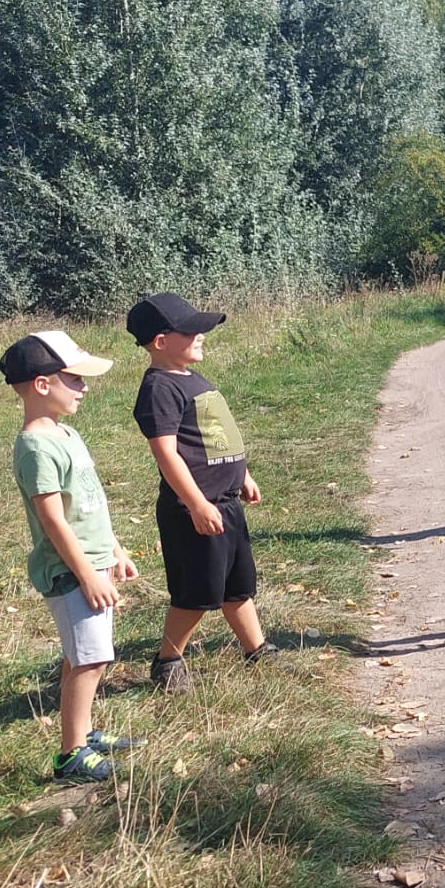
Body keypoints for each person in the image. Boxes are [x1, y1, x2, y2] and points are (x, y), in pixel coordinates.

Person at [0, 331, 147, 782]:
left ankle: (81, 731)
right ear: (42, 384)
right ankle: (70, 755)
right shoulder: (34, 447)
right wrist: (87, 575)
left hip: (93, 564)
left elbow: (89, 502)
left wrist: (114, 551)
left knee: (81, 654)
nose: (84, 388)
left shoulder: (67, 433)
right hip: (69, 572)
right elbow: (54, 522)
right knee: (91, 659)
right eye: (75, 380)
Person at [128, 292, 274, 693]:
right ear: (161, 341)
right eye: (191, 331)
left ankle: (256, 649)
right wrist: (196, 503)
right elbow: (166, 453)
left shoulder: (192, 378)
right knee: (195, 592)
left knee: (236, 587)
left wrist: (243, 475)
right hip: (193, 510)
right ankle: (168, 661)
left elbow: (215, 434)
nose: (202, 336)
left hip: (225, 503)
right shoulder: (159, 387)